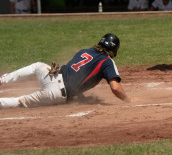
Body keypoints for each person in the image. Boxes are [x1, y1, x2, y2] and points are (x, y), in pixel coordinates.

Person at [0, 34, 131, 109]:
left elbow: (78, 73)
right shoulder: (107, 61)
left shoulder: (84, 51)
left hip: (53, 75)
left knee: (37, 66)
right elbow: (115, 88)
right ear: (114, 49)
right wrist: (128, 99)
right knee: (21, 102)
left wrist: (80, 96)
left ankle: (2, 79)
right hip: (56, 93)